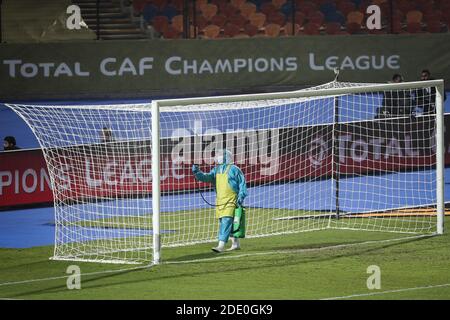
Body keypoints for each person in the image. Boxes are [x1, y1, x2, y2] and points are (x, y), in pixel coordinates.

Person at [192, 149, 248, 253]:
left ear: (226, 156)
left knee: (226, 221)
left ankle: (221, 245)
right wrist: (197, 172)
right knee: (226, 221)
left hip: (232, 200)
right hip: (220, 201)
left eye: (219, 155)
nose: (216, 157)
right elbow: (206, 177)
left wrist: (241, 196)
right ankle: (236, 244)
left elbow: (242, 184)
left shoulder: (234, 169)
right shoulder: (216, 170)